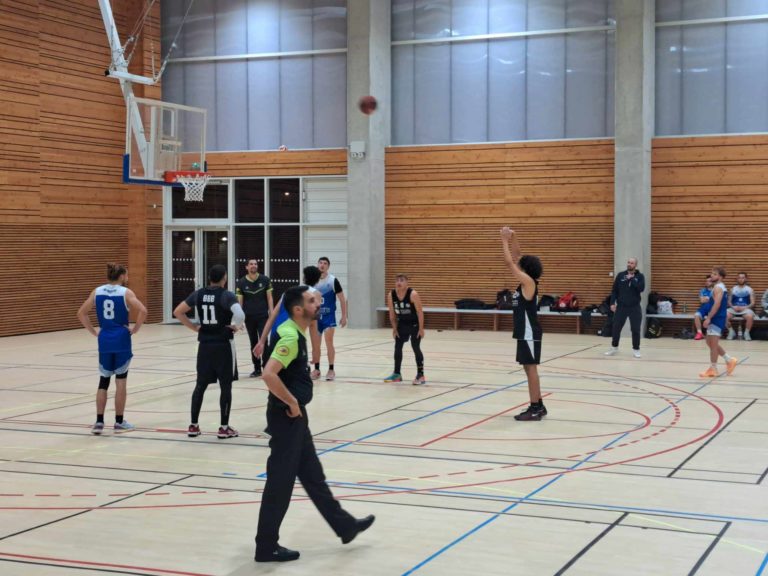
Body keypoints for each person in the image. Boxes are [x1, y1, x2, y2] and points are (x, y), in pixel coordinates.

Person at [255, 286, 374, 562]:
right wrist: (293, 403)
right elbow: (269, 374)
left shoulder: (295, 330)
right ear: (298, 310)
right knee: (280, 484)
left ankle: (345, 526)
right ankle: (266, 546)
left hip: (295, 418)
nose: (317, 304)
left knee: (313, 476)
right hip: (286, 418)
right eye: (311, 301)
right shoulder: (289, 336)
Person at [173, 265, 245, 439]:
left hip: (204, 346)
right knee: (225, 386)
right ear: (224, 278)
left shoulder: (198, 294)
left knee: (200, 385)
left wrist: (194, 327)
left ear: (209, 278)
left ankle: (193, 425)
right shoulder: (226, 295)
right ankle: (224, 428)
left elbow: (178, 312)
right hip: (223, 345)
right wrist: (235, 326)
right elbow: (240, 314)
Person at [77, 263, 147, 435]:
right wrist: (135, 329)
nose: (127, 278)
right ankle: (119, 421)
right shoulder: (126, 292)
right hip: (121, 339)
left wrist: (94, 331)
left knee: (103, 381)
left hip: (105, 339)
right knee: (121, 381)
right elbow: (143, 310)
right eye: (127, 275)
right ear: (122, 276)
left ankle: (99, 422)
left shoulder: (97, 291)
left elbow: (81, 313)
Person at [500, 227, 547, 421]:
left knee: (531, 368)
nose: (518, 264)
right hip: (524, 331)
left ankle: (535, 408)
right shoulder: (527, 280)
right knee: (528, 368)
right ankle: (539, 405)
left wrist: (504, 240)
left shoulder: (528, 282)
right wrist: (514, 236)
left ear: (526, 269)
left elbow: (510, 262)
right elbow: (517, 256)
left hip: (529, 332)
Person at [253, 266, 322, 363]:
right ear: (318, 280)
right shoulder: (315, 294)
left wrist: (261, 341)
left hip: (276, 333)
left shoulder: (289, 292)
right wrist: (316, 350)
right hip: (292, 336)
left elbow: (272, 317)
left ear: (304, 278)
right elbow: (313, 324)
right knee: (295, 370)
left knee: (275, 369)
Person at [384, 274, 426, 385]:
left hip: (414, 324)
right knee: (397, 347)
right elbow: (392, 314)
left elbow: (420, 312)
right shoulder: (391, 295)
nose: (399, 282)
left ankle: (420, 375)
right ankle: (397, 374)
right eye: (397, 280)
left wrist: (421, 329)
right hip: (402, 324)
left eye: (402, 280)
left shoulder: (413, 294)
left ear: (407, 283)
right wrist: (394, 328)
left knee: (415, 346)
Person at [236, 259, 274, 377]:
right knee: (253, 342)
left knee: (264, 341)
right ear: (247, 267)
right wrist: (240, 319)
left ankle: (266, 367)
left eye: (255, 264)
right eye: (251, 264)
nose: (254, 265)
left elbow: (269, 298)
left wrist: (272, 313)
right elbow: (240, 302)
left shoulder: (265, 280)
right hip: (249, 317)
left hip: (263, 316)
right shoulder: (241, 283)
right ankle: (257, 369)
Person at [312, 257, 347, 381]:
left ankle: (331, 369)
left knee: (329, 342)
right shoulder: (312, 280)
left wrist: (344, 316)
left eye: (325, 263)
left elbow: (342, 299)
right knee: (315, 345)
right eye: (320, 263)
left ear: (328, 266)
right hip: (316, 317)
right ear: (317, 265)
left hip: (328, 316)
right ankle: (316, 369)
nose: (322, 265)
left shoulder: (332, 280)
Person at [700, 266, 738, 378]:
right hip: (718, 317)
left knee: (713, 345)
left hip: (716, 318)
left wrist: (708, 318)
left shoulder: (718, 288)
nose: (712, 275)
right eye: (712, 273)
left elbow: (717, 304)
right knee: (710, 342)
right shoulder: (719, 287)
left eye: (715, 274)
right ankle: (729, 360)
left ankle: (713, 369)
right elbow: (720, 304)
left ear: (720, 277)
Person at [605, 257, 645, 358]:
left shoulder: (640, 276)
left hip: (634, 307)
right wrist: (612, 303)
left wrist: (632, 279)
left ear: (635, 265)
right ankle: (614, 347)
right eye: (628, 262)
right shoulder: (620, 275)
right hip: (621, 307)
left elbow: (641, 288)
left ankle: (636, 349)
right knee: (616, 328)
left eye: (632, 263)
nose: (629, 264)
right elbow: (614, 291)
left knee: (635, 329)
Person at [727, 272, 755, 341]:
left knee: (750, 316)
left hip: (745, 309)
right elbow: (729, 302)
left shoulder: (750, 289)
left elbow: (753, 303)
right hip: (734, 309)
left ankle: (746, 333)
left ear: (746, 279)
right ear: (737, 279)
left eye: (743, 278)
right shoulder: (732, 289)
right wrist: (733, 307)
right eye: (739, 278)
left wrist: (744, 307)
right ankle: (731, 331)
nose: (741, 279)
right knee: (723, 315)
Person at [694, 275, 714, 341]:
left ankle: (711, 333)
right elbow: (702, 301)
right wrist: (709, 299)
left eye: (709, 281)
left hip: (712, 309)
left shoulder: (715, 290)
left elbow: (716, 301)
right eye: (706, 281)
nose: (707, 282)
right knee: (696, 315)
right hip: (703, 309)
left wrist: (707, 298)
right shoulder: (702, 290)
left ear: (713, 282)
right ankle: (699, 333)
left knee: (713, 316)